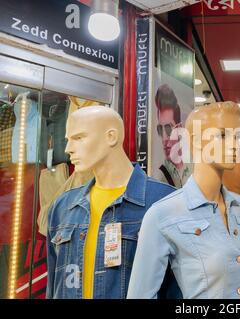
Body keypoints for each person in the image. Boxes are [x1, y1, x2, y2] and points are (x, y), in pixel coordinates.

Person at [127, 102, 240, 299]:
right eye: (223, 135)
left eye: (237, 136)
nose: (235, 144)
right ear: (196, 141)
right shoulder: (162, 215)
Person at [46, 107, 179, 299]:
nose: (68, 149)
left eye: (79, 138)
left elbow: (177, 289)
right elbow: (54, 287)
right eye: (68, 140)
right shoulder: (63, 206)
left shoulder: (164, 202)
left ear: (111, 137)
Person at [154, 84, 190, 188]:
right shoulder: (159, 175)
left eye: (169, 129)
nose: (164, 138)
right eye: (160, 129)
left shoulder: (195, 168)